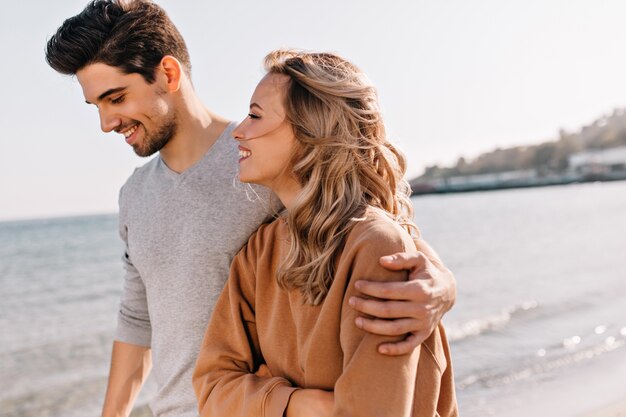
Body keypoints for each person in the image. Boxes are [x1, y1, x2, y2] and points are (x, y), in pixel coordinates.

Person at [44, 2, 457, 417]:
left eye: (115, 98)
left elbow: (374, 223)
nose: (106, 122)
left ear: (167, 74)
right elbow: (137, 317)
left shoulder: (265, 157)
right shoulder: (135, 195)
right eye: (96, 105)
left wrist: (441, 284)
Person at [193, 50, 457, 417]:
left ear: (312, 131)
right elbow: (212, 387)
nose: (238, 130)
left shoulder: (377, 247)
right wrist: (299, 403)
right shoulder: (260, 250)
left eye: (255, 115)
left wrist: (258, 391)